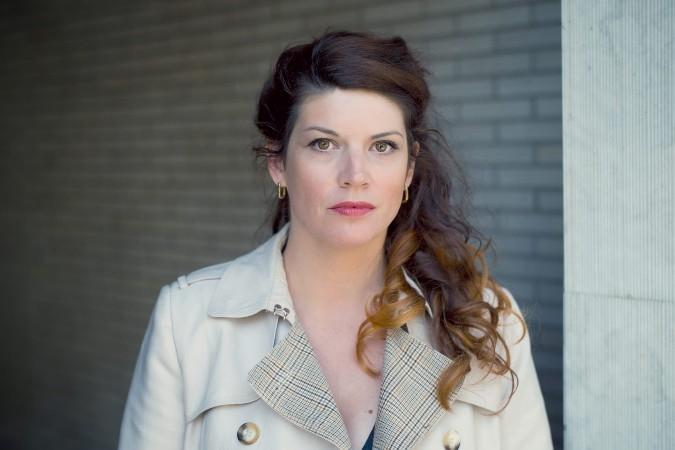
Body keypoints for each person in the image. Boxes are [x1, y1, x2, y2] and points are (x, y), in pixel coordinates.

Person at [117, 29, 553, 450]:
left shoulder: (486, 321)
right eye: (324, 144)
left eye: (382, 147)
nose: (355, 175)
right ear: (277, 163)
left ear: (408, 169)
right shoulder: (188, 321)